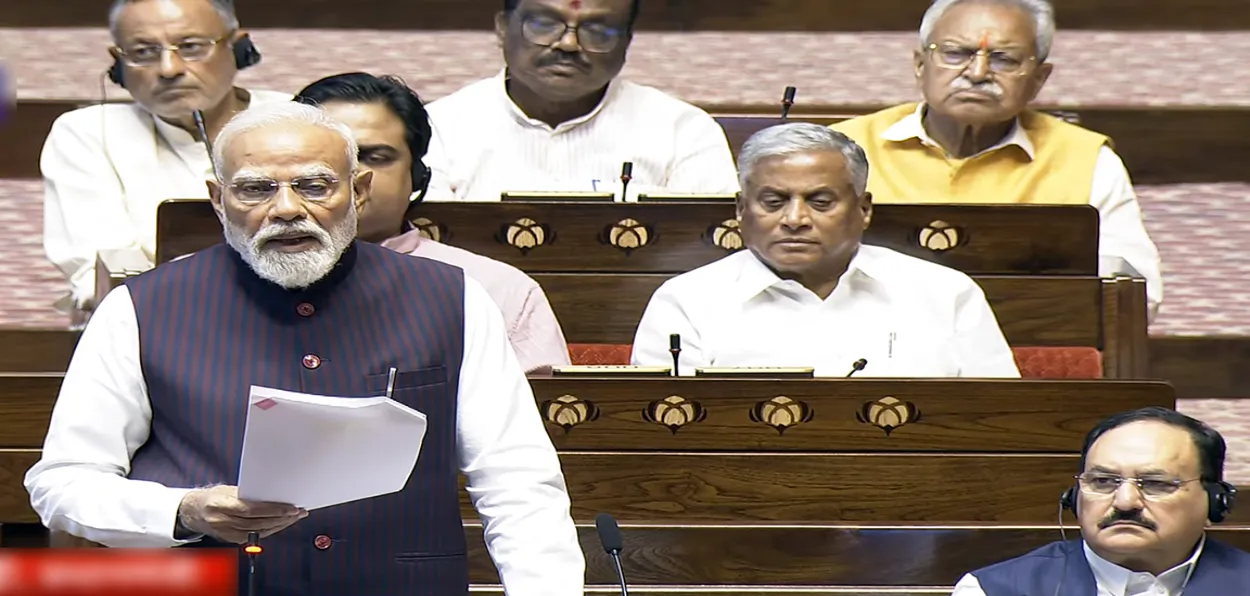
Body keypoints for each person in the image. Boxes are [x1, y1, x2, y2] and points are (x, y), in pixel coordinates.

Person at [25, 102, 584, 596]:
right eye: (255, 188)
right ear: (218, 200)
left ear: (358, 191)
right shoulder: (139, 308)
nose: (287, 208)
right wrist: (183, 509)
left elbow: (516, 480)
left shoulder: (453, 298)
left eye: (315, 185)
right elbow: (62, 483)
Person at [831, 0, 1163, 321]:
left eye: (1004, 59)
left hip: (1028, 345)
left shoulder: (1086, 160)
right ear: (920, 65)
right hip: (867, 337)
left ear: (1038, 79)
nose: (977, 73)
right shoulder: (841, 149)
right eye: (956, 53)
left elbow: (1136, 295)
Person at [630, 122, 1019, 377]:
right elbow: (661, 435)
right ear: (740, 210)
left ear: (864, 209)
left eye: (819, 202)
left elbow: (1003, 421)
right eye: (773, 201)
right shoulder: (687, 302)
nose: (795, 219)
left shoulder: (945, 294)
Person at [292, 72, 573, 374]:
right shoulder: (236, 280)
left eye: (374, 156)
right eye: (324, 158)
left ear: (416, 175)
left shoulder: (496, 290)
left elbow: (540, 416)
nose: (352, 176)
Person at [41, 0, 289, 322]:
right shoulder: (88, 132)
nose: (168, 69)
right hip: (151, 326)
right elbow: (100, 273)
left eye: (190, 47)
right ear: (118, 65)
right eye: (143, 52)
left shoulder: (299, 119)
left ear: (239, 47)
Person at [422, 0, 739, 202]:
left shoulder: (682, 131)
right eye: (544, 24)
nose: (569, 44)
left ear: (627, 42)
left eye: (597, 30)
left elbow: (705, 256)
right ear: (503, 28)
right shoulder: (438, 128)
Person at [953, 407, 1248, 594]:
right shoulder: (993, 591)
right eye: (1103, 482)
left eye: (1156, 484)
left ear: (1215, 502)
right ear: (1075, 497)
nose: (1125, 502)